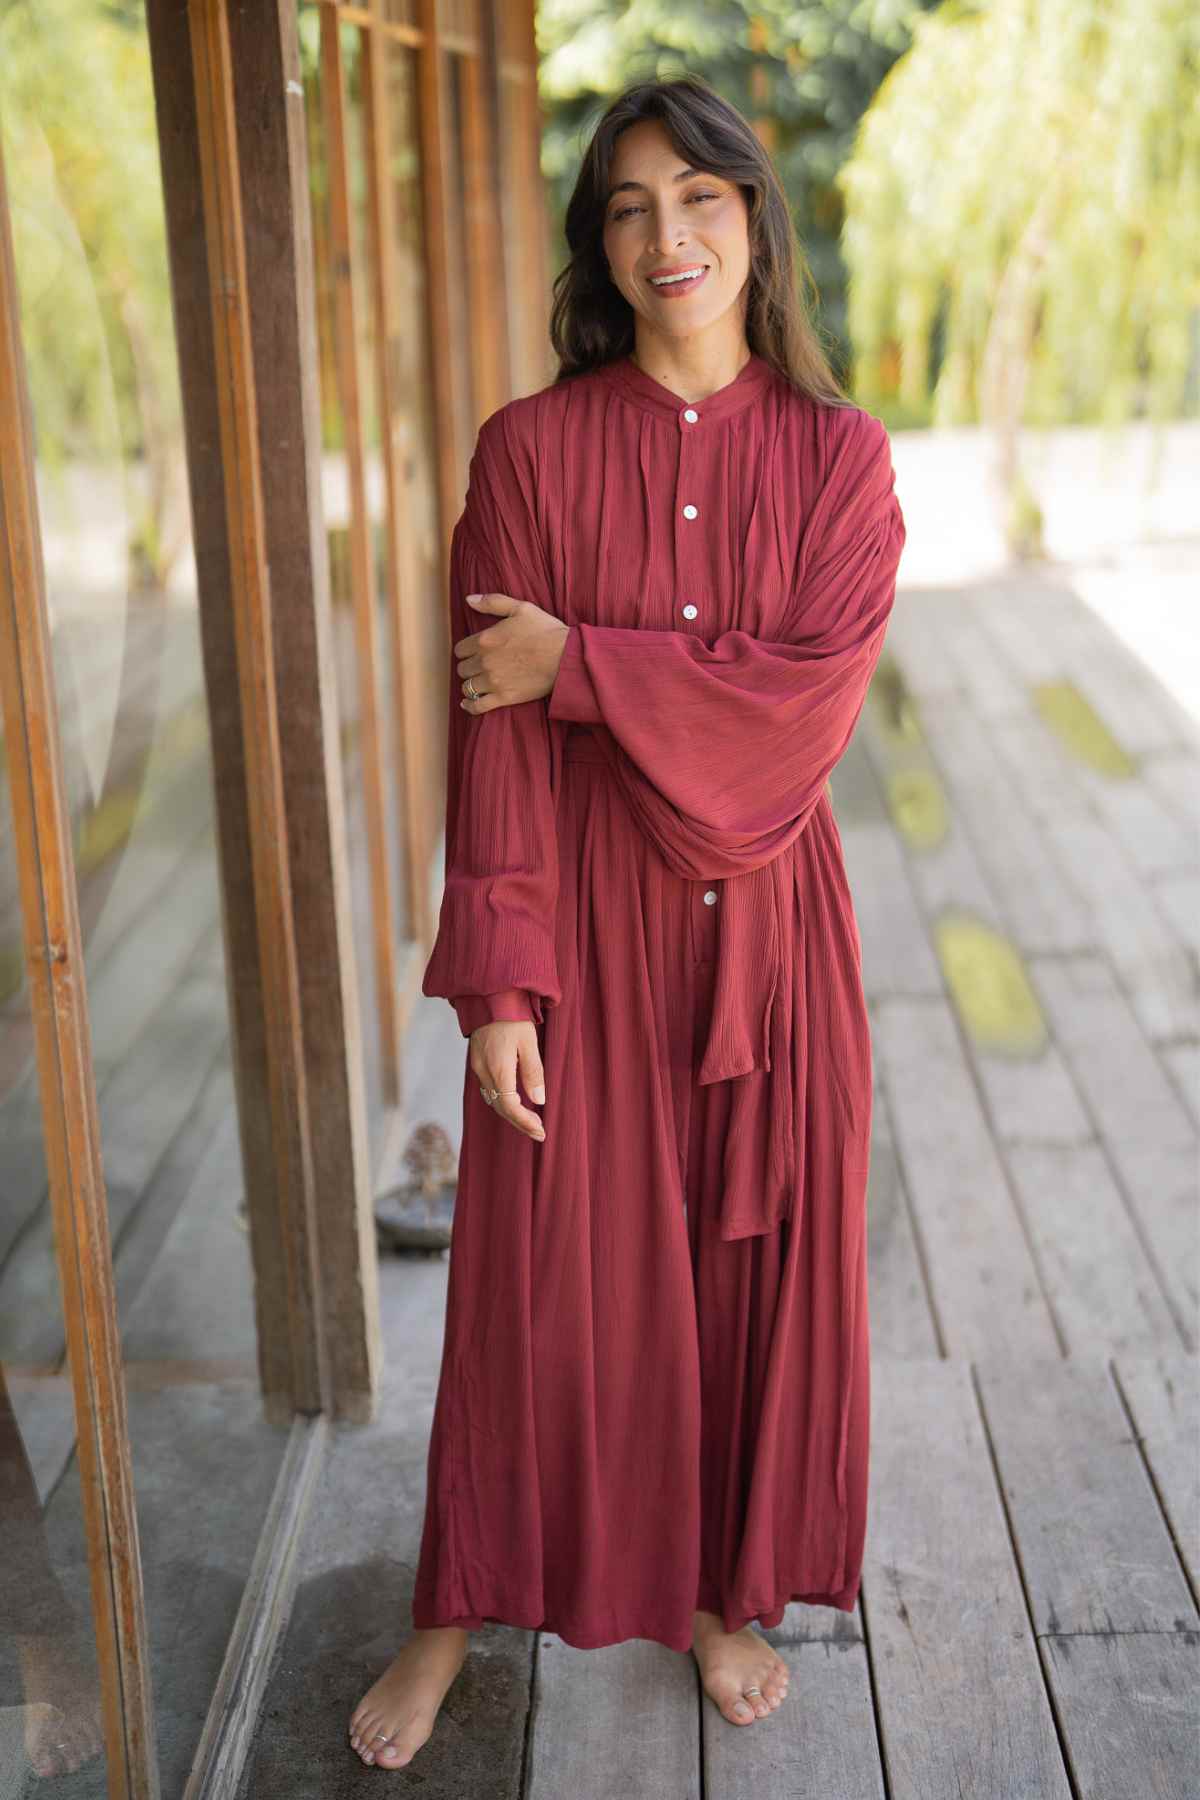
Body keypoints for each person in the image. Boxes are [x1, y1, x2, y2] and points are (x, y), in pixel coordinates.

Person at [350, 72, 905, 1771]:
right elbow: (491, 733)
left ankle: (721, 1597)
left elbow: (798, 718)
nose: (668, 237)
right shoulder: (528, 453)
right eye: (628, 207)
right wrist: (498, 986)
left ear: (755, 225)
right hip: (572, 941)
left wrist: (581, 661)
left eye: (701, 201)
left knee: (743, 1287)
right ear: (600, 243)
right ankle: (454, 1610)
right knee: (535, 1285)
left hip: (770, 948)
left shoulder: (839, 463)